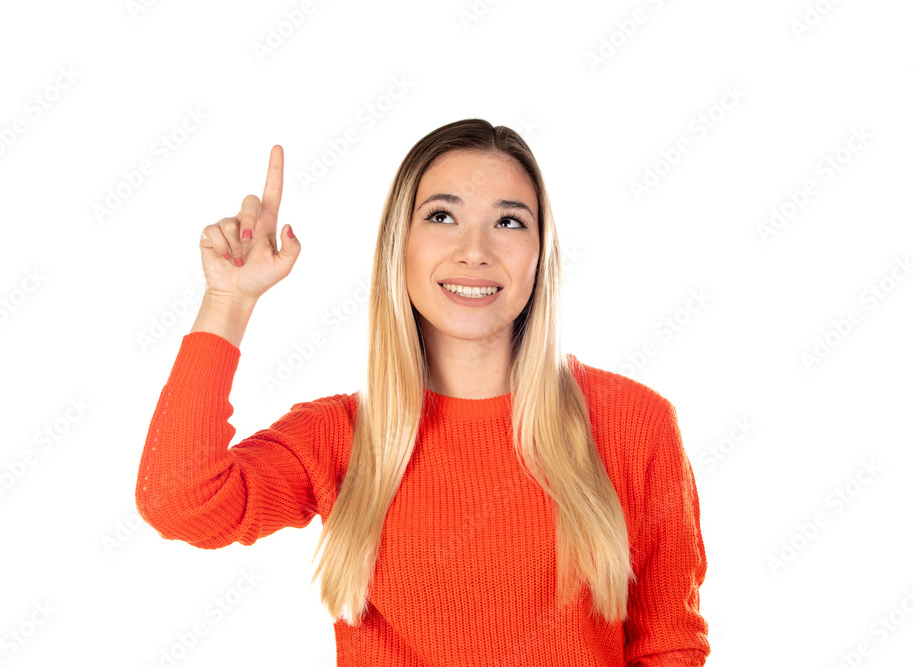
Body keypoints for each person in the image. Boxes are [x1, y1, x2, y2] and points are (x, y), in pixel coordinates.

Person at [135, 118, 711, 666]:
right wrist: (228, 302)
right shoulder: (343, 437)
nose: (475, 250)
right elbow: (179, 501)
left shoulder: (634, 424)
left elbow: (670, 647)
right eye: (442, 217)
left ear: (541, 254)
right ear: (399, 245)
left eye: (509, 222)